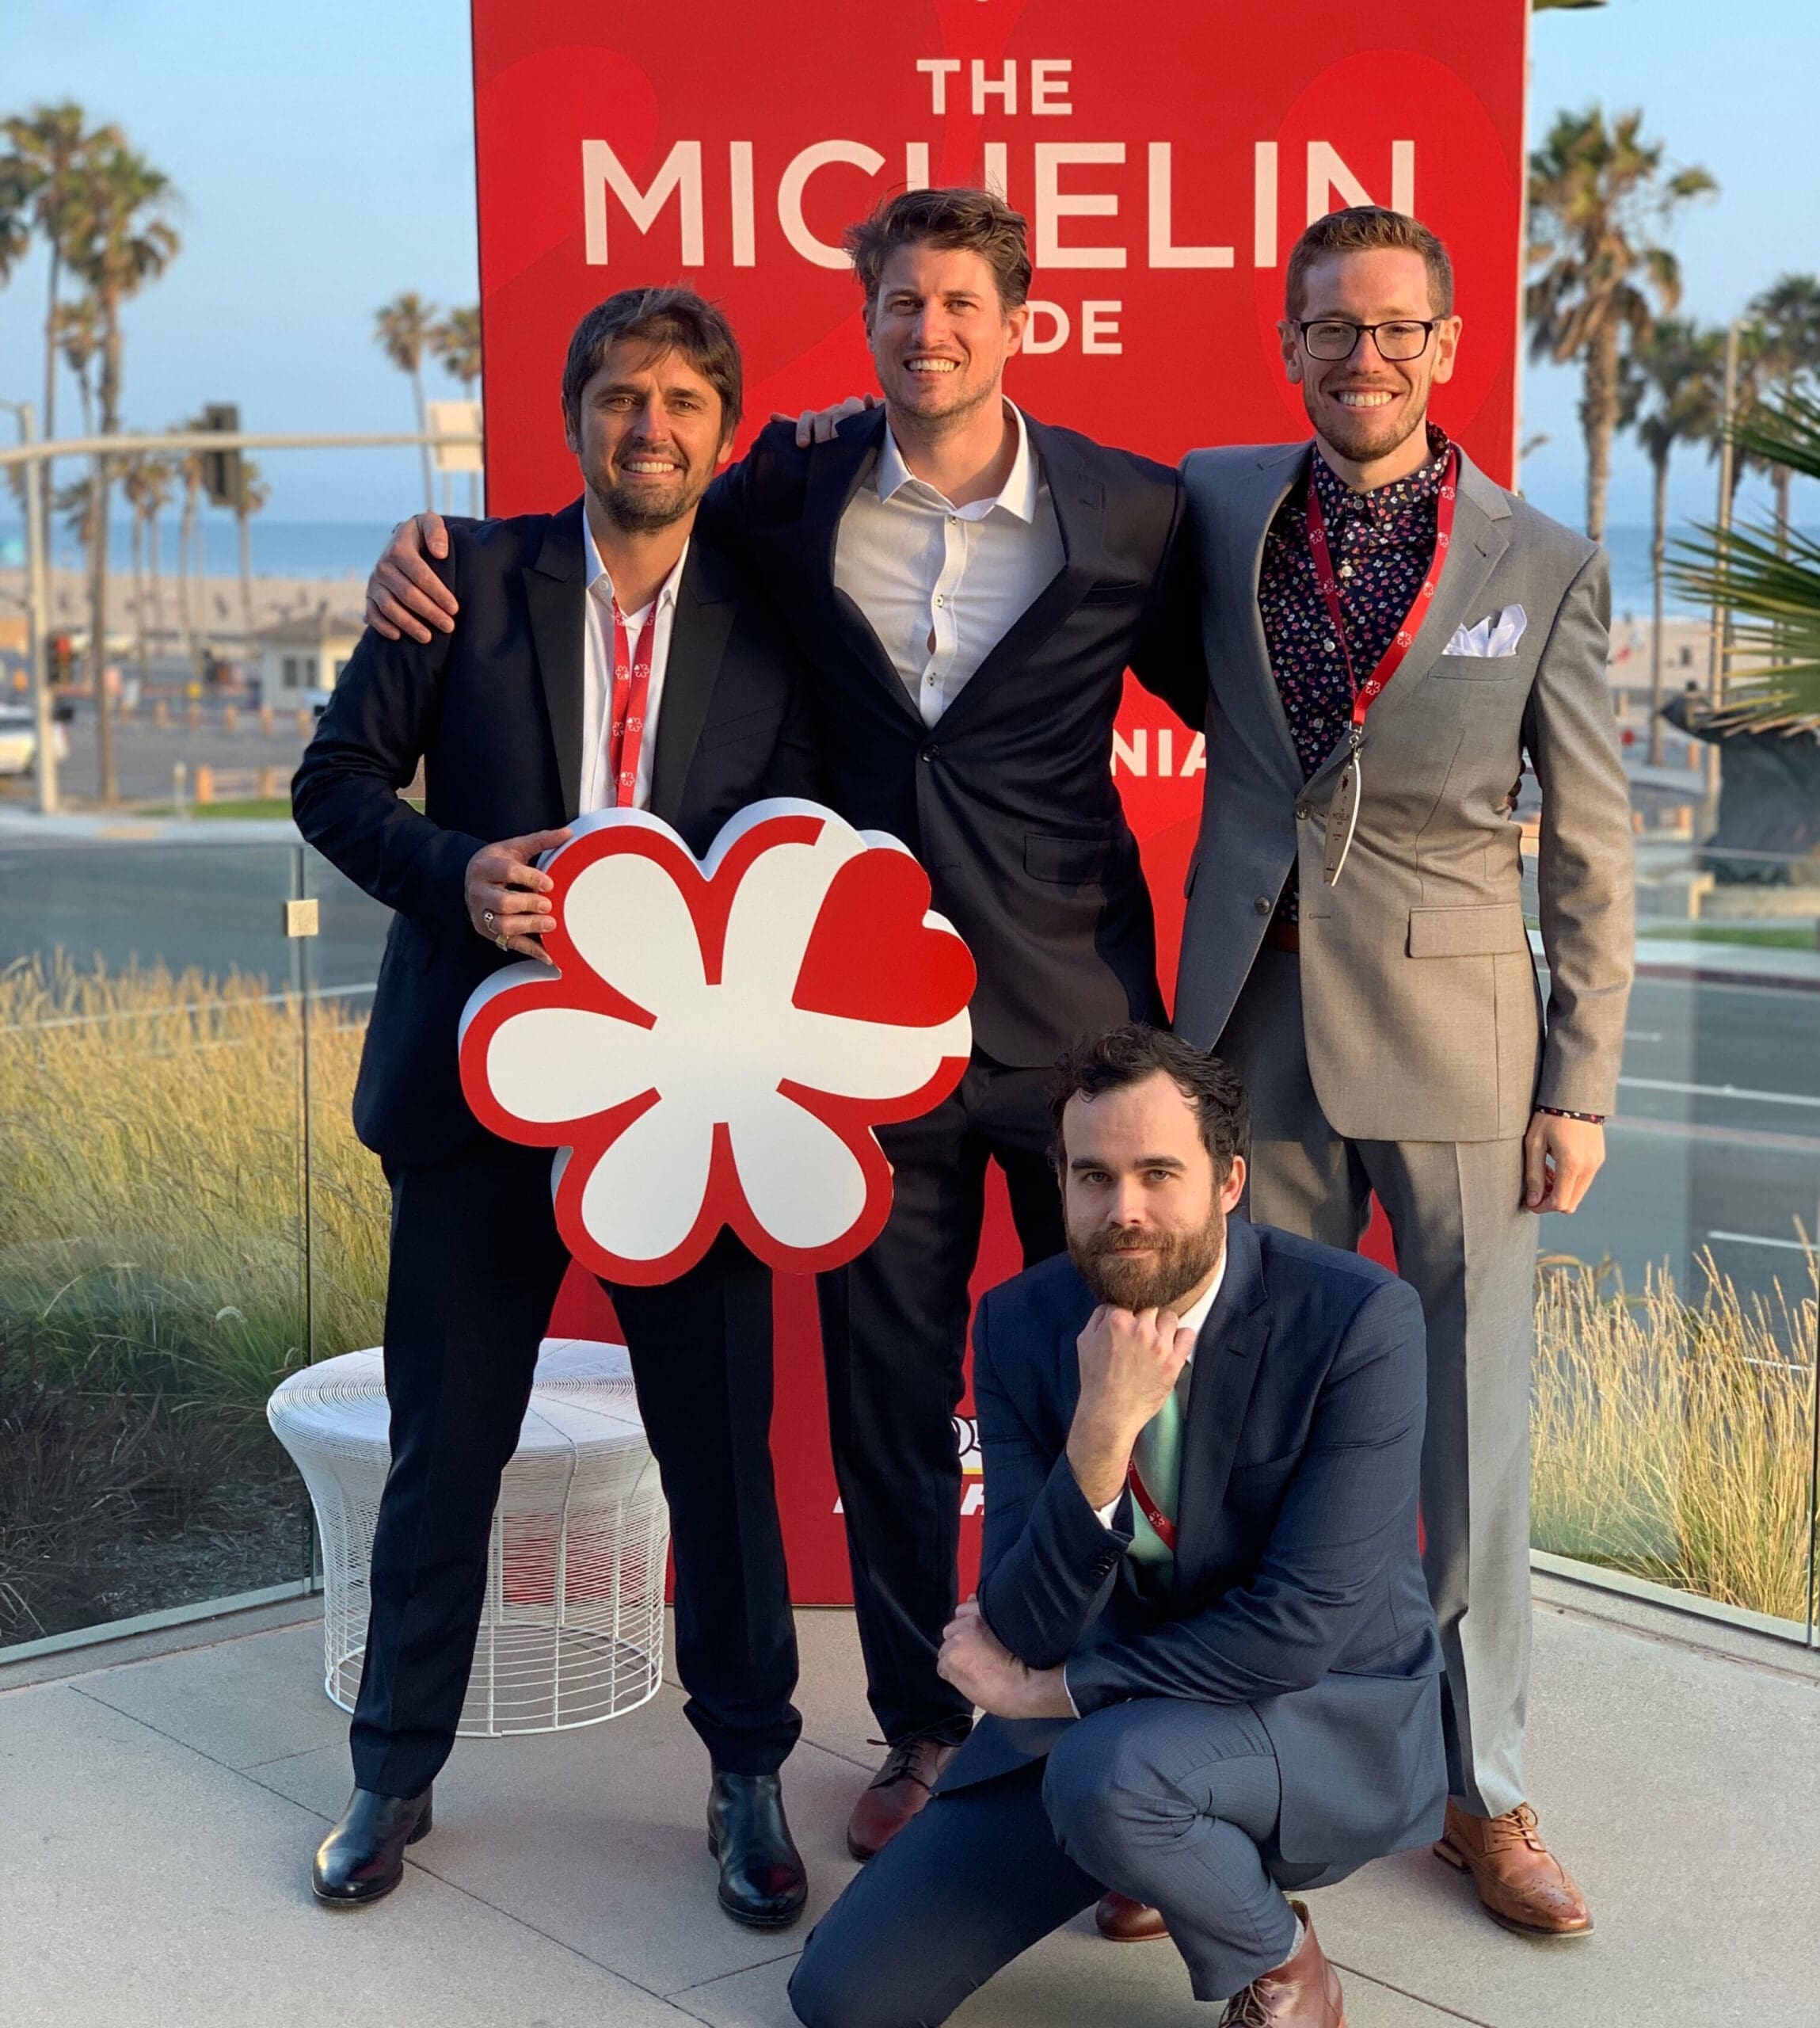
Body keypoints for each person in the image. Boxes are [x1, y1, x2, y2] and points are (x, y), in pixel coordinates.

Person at [361, 186, 1206, 1862]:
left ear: (1014, 318)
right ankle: (918, 1726)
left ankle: (1140, 1752)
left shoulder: (1129, 511)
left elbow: (1241, 709)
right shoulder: (785, 493)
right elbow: (611, 535)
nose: (930, 331)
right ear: (870, 317)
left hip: (1064, 1016)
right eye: (901, 304)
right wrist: (419, 554)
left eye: (960, 303)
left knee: (1128, 1387)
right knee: (888, 1402)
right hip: (831, 1033)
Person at [292, 286, 824, 1929]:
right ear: (574, 416)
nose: (646, 426)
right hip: (476, 1090)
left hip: (698, 1107)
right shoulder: (458, 576)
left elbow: (824, 830)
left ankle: (744, 1772)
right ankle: (392, 1767)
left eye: (678, 401)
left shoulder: (778, 607)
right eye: (617, 398)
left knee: (721, 1459)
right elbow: (334, 783)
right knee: (445, 1443)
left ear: (720, 434)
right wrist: (464, 876)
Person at [1172, 206, 1635, 1939]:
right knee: (1234, 1419)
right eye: (1327, 328)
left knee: (1466, 1435)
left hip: (1461, 1048)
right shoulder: (1220, 504)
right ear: (1288, 344)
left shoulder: (1546, 562)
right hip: (1249, 1032)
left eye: (1393, 328)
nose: (1359, 355)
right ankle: (1206, 1767)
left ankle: (1481, 1786)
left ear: (1446, 346)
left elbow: (1592, 847)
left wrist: (1578, 1078)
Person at [787, 1024, 1444, 2028]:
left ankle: (1278, 1956)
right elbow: (1020, 1613)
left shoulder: (1358, 1321)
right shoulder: (1022, 1321)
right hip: (1106, 1734)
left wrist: (1054, 1692)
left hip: (1316, 1713)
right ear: (1060, 1181)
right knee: (846, 1997)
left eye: (1157, 1173)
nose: (1123, 1210)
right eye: (1093, 1176)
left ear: (1229, 1180)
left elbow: (1297, 1628)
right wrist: (1100, 1433)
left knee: (1111, 1778)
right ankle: (1158, 1853)